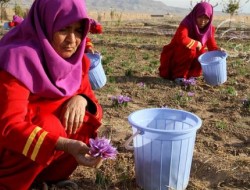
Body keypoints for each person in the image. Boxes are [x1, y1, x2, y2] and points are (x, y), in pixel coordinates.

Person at [0, 0, 103, 189]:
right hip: (10, 148)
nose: (72, 40)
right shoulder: (17, 60)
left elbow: (97, 109)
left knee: (83, 121)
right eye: (64, 29)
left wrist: (81, 99)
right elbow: (8, 127)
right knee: (50, 126)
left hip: (44, 151)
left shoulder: (77, 63)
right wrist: (62, 143)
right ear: (45, 24)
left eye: (79, 30)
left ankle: (44, 179)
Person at [159, 2, 222, 84]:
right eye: (200, 17)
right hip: (176, 56)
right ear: (195, 14)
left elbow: (212, 46)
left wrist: (219, 50)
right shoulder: (186, 24)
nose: (203, 21)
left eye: (206, 18)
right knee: (190, 48)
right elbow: (182, 39)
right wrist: (197, 43)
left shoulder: (209, 29)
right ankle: (179, 76)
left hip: (192, 59)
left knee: (202, 52)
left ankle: (192, 76)